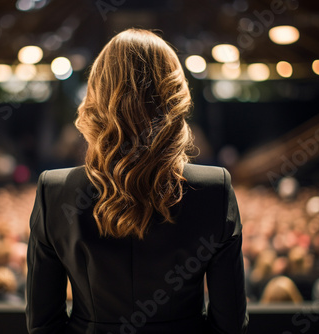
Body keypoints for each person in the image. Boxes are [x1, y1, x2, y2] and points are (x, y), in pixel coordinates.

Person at [26, 28, 248, 334]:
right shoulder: (214, 188)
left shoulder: (55, 190)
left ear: (96, 96)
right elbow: (231, 325)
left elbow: (42, 324)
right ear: (174, 95)